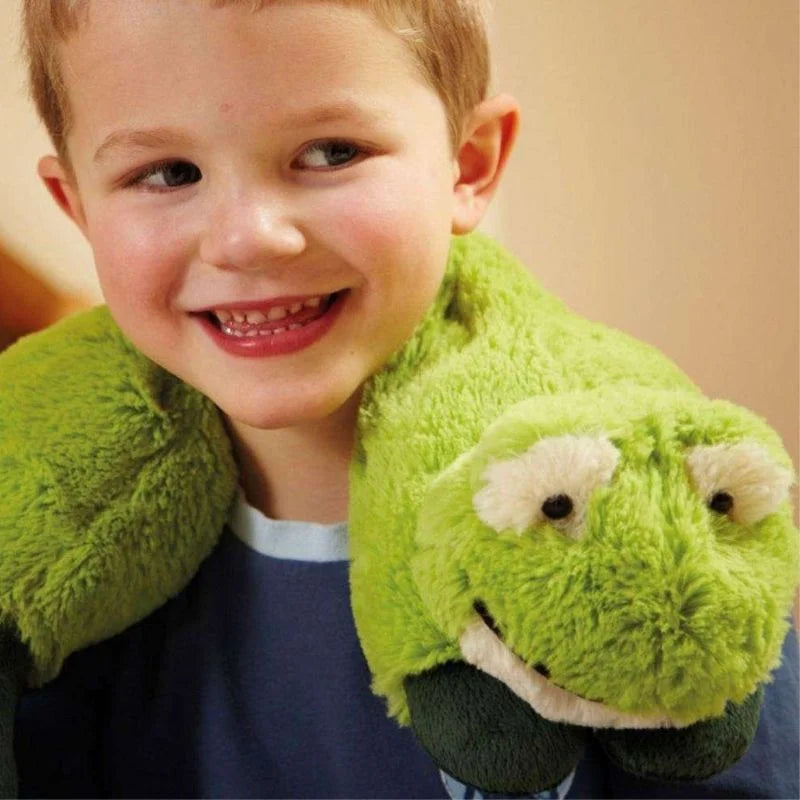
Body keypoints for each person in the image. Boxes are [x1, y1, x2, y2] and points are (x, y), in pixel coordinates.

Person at [11, 1, 798, 797]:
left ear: (469, 165)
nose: (248, 238)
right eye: (168, 173)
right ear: (79, 207)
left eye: (330, 152)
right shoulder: (49, 545)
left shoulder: (618, 490)